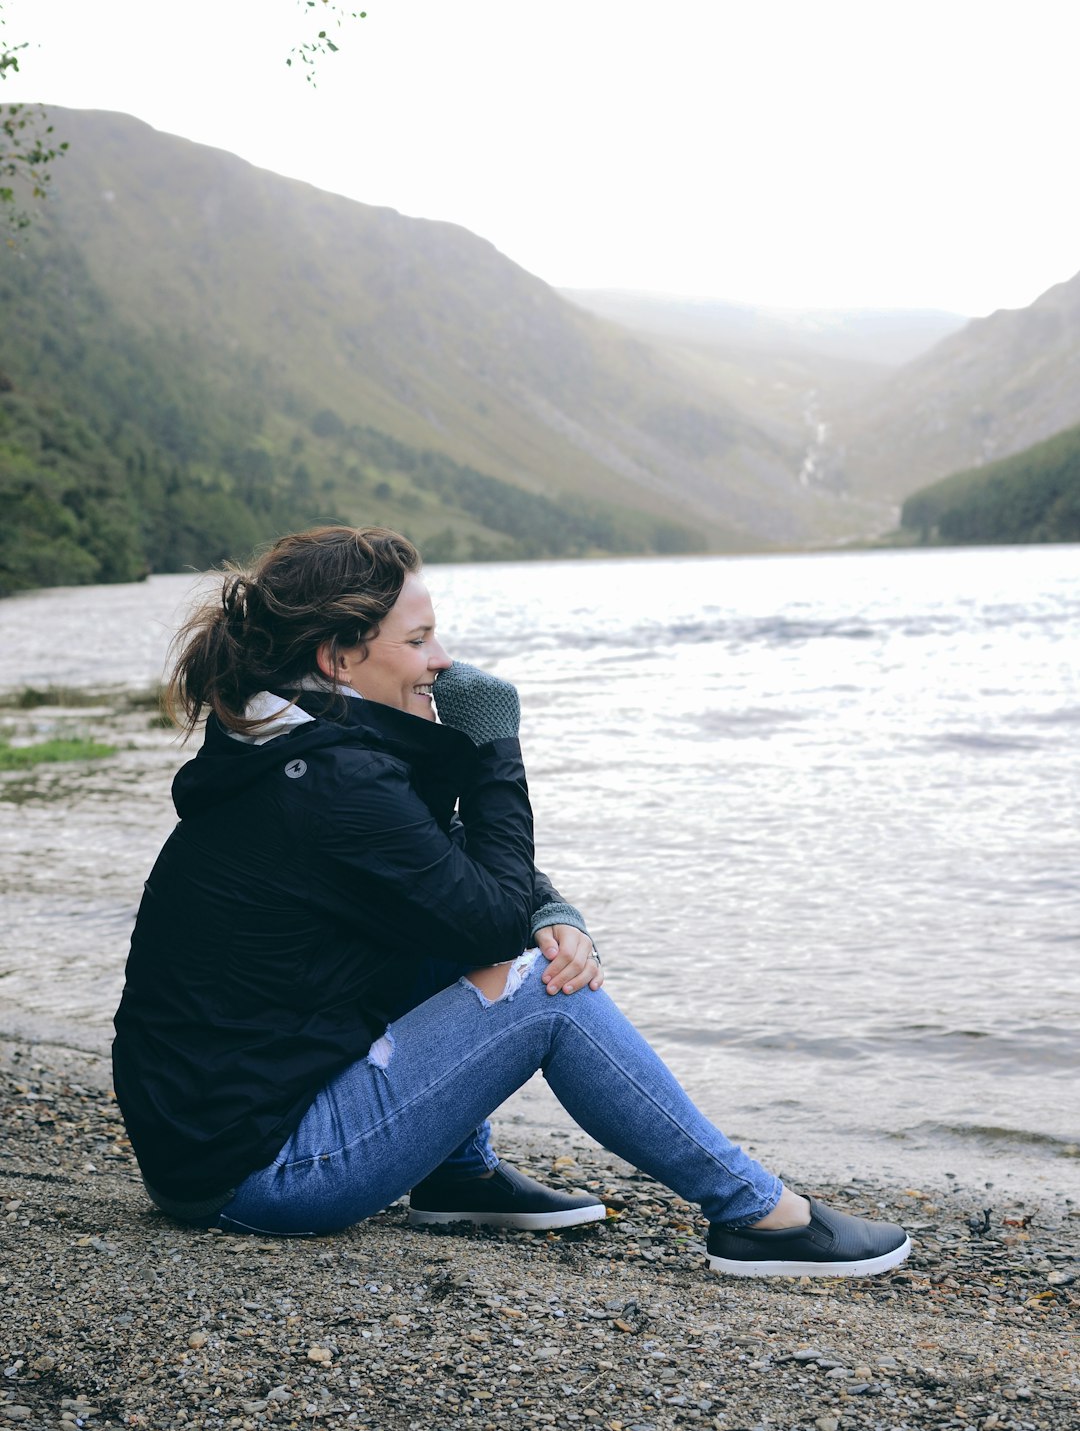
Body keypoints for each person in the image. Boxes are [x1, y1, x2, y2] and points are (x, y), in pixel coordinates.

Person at [113, 525, 911, 1278]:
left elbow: (437, 870)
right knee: (547, 996)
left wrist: (553, 908)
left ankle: (457, 1175)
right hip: (265, 1173)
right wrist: (494, 744)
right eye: (418, 641)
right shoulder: (331, 782)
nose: (444, 661)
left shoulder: (294, 751)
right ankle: (760, 1215)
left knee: (481, 938)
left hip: (211, 1152)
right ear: (337, 658)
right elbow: (487, 914)